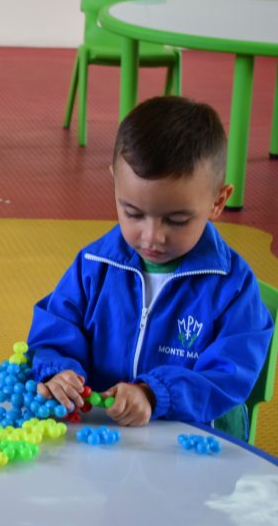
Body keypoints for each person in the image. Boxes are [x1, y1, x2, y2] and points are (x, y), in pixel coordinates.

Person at [27, 95, 273, 437]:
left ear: (218, 201)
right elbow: (55, 329)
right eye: (133, 213)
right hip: (102, 437)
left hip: (192, 441)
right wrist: (59, 372)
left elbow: (228, 376)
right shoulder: (93, 265)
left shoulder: (233, 287)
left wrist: (154, 394)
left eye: (176, 220)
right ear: (115, 182)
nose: (152, 237)